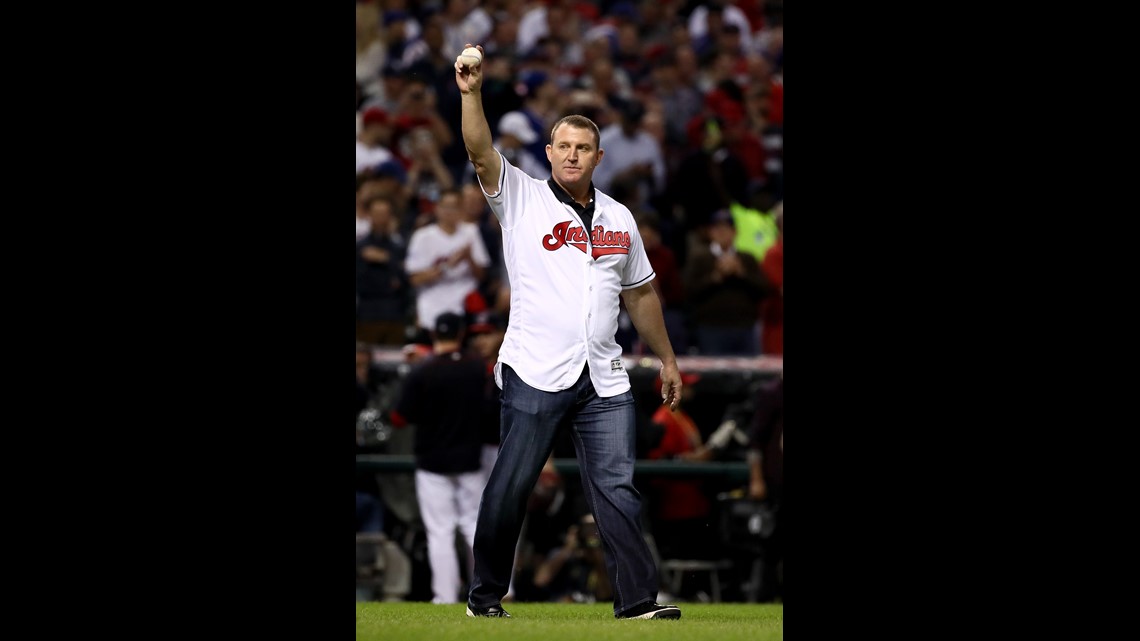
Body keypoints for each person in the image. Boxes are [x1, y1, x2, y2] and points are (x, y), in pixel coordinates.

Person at [455, 44, 683, 620]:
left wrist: (668, 360)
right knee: (512, 487)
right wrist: (471, 93)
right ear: (550, 152)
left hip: (603, 375)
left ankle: (636, 603)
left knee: (618, 491)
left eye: (584, 148)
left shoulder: (619, 217)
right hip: (535, 368)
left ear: (598, 156)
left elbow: (640, 293)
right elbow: (481, 152)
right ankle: (484, 598)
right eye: (565, 146)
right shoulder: (522, 198)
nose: (573, 155)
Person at [389, 312, 489, 604]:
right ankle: (488, 592)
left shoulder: (423, 370)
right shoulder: (476, 368)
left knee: (440, 532)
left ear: (435, 335)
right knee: (473, 526)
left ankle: (444, 596)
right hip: (470, 457)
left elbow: (397, 418)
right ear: (460, 334)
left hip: (432, 460)